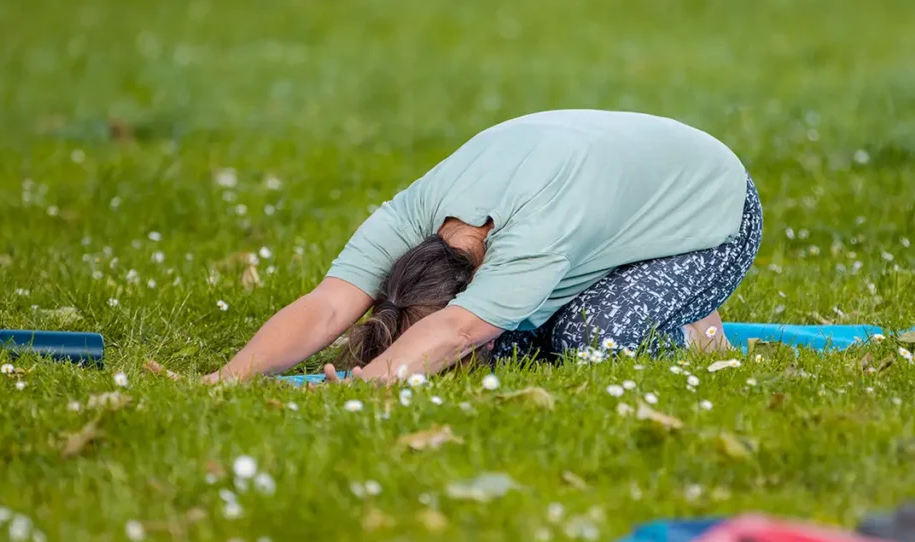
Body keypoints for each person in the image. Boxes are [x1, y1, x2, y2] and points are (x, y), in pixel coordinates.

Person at [152, 110, 762, 385]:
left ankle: (692, 325)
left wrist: (374, 383)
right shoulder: (418, 213)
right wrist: (226, 378)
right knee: (512, 350)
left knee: (586, 343)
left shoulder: (532, 230)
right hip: (615, 205)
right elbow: (330, 304)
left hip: (713, 214)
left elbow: (460, 330)